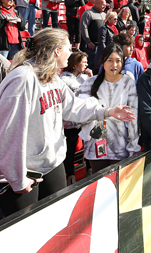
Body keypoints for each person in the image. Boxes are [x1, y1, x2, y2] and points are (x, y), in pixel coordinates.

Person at [0, 28, 135, 217]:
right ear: (56, 51)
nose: (71, 53)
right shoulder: (22, 78)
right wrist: (17, 177)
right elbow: (8, 132)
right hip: (26, 170)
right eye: (68, 48)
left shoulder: (53, 77)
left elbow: (74, 107)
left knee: (57, 221)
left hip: (53, 163)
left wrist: (108, 111)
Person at [77, 43, 140, 172]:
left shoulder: (128, 82)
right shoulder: (90, 82)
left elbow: (133, 118)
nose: (114, 65)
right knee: (100, 187)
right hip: (95, 147)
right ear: (103, 61)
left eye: (118, 61)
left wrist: (132, 147)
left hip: (120, 146)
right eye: (110, 60)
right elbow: (77, 111)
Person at [60, 51, 93, 185]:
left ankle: (90, 170)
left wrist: (91, 78)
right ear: (75, 64)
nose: (86, 64)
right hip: (70, 122)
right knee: (70, 149)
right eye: (84, 62)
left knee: (89, 145)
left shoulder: (85, 77)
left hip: (85, 120)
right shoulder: (63, 80)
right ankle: (70, 175)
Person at [80, 0, 106, 70]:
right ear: (96, 4)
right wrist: (88, 41)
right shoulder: (88, 14)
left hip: (102, 46)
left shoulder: (104, 15)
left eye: (105, 4)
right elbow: (83, 28)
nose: (105, 6)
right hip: (92, 47)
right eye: (103, 4)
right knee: (91, 66)